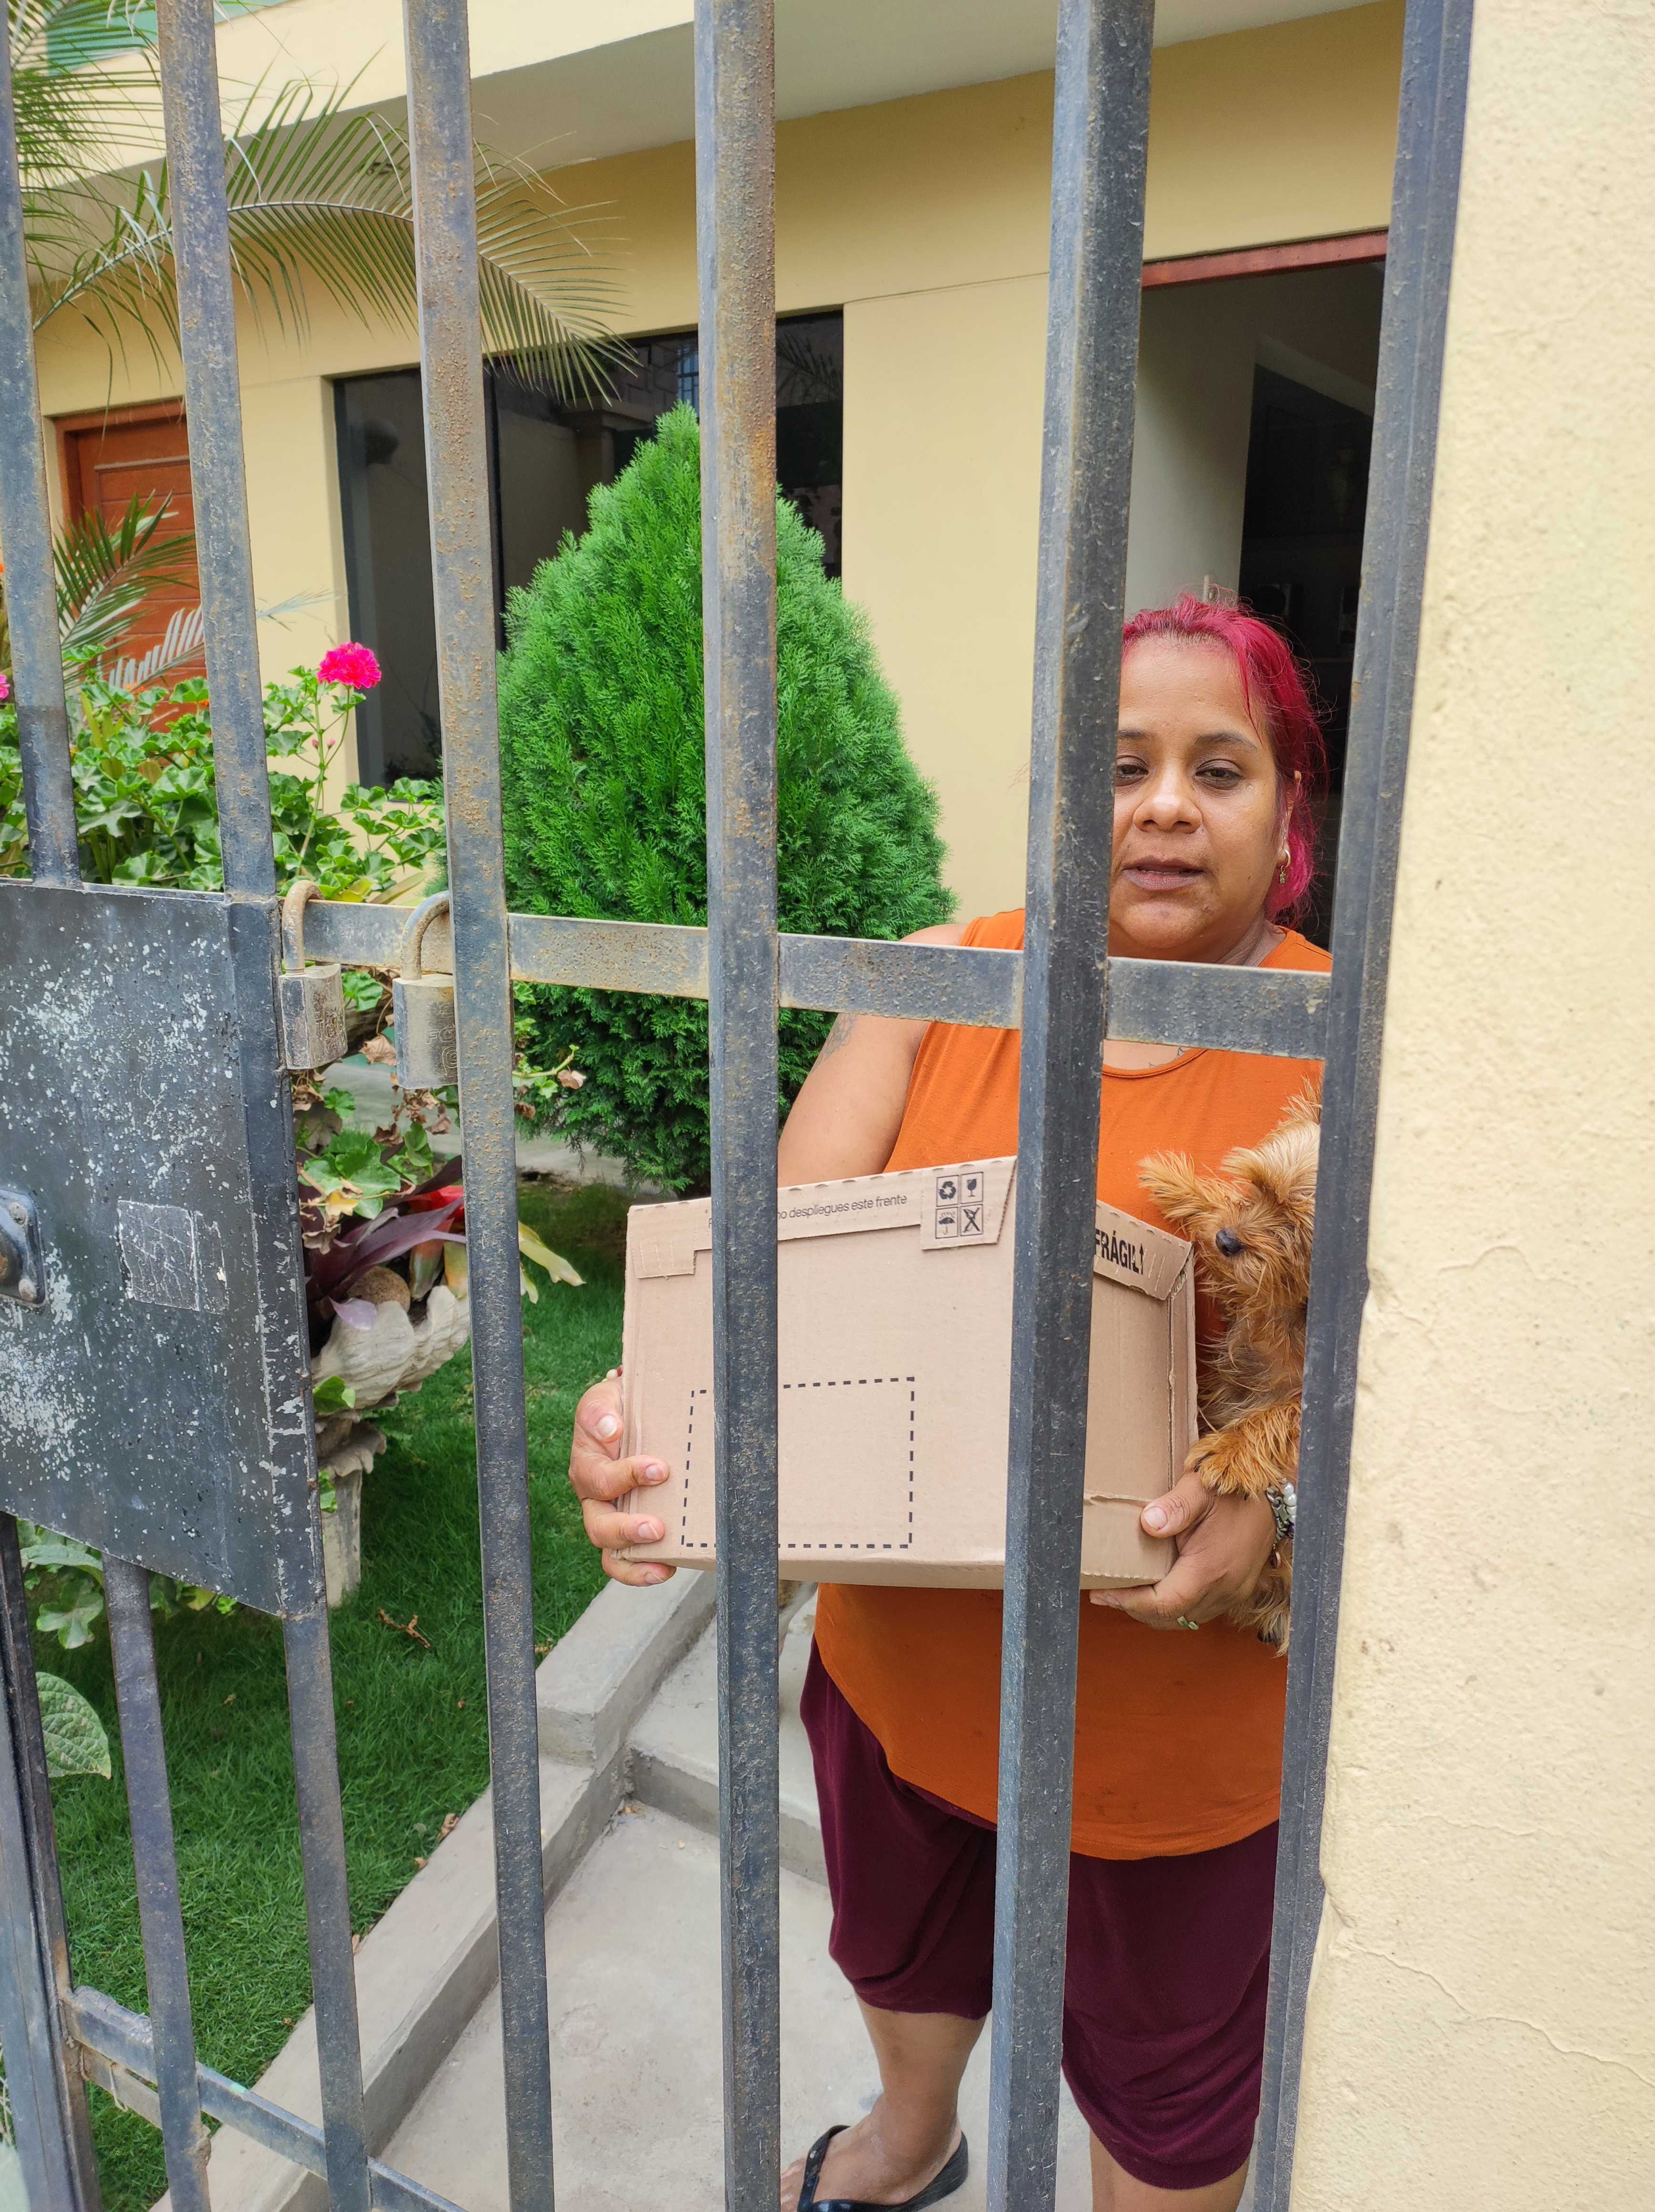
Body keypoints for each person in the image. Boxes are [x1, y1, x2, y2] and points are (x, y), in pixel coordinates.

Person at [567, 595, 1330, 2212]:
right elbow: (776, 1270)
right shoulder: (938, 983)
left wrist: (1281, 1500)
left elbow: (1405, 1395)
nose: (1164, 807)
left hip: (1176, 1742)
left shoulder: (1344, 1046)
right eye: (1118, 766)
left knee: (1170, 2097)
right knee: (904, 1951)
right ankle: (913, 2140)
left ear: (1289, 816)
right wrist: (648, 1418)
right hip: (905, 1672)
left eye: (1219, 769)